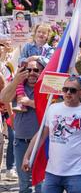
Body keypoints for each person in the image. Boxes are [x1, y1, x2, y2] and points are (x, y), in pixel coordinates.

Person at [22, 76, 81, 193]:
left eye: (73, 90)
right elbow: (41, 135)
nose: (68, 93)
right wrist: (27, 156)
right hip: (52, 173)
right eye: (65, 89)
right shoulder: (53, 108)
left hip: (76, 174)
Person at [0, 59, 46, 192]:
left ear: (42, 72)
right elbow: (3, 98)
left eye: (36, 70)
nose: (32, 73)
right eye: (28, 70)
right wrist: (15, 81)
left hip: (41, 142)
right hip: (21, 142)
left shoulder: (46, 86)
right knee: (24, 184)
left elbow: (53, 108)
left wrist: (29, 102)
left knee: (41, 184)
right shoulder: (18, 86)